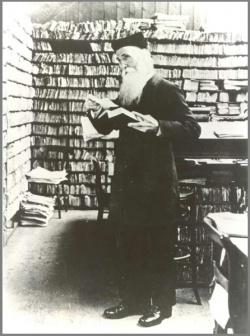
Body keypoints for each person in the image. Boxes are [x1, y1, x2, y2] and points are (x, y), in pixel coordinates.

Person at [84, 32, 201, 327]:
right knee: (132, 242)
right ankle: (135, 300)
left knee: (158, 245)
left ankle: (162, 307)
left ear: (144, 54)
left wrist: (159, 126)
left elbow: (191, 128)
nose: (123, 64)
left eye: (127, 57)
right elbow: (112, 122)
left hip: (157, 183)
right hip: (129, 181)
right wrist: (97, 113)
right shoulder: (127, 91)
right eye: (118, 59)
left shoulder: (165, 88)